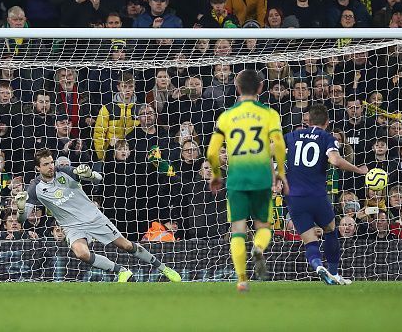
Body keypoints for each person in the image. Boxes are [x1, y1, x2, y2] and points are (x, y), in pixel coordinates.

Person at [15, 148, 181, 283]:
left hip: (93, 217)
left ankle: (164, 268)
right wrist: (21, 208)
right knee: (81, 253)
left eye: (51, 162)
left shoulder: (65, 172)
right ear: (38, 168)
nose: (51, 166)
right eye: (46, 164)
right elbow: (21, 220)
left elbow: (98, 178)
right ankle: (121, 271)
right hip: (71, 226)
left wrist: (89, 175)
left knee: (126, 245)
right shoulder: (34, 188)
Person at [206, 69, 288, 292]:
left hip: (237, 178)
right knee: (263, 226)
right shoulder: (269, 113)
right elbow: (279, 145)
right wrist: (280, 171)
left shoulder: (227, 116)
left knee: (238, 230)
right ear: (261, 88)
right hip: (261, 177)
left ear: (238, 88)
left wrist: (215, 174)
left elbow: (213, 152)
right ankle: (259, 247)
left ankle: (242, 279)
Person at [284, 104, 368, 285]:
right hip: (317, 195)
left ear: (308, 121)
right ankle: (334, 273)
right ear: (327, 122)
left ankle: (316, 264)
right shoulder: (326, 137)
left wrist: (276, 176)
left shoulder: (292, 136)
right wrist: (358, 170)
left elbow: (271, 150)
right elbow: (336, 160)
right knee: (330, 230)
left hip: (294, 197)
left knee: (309, 240)